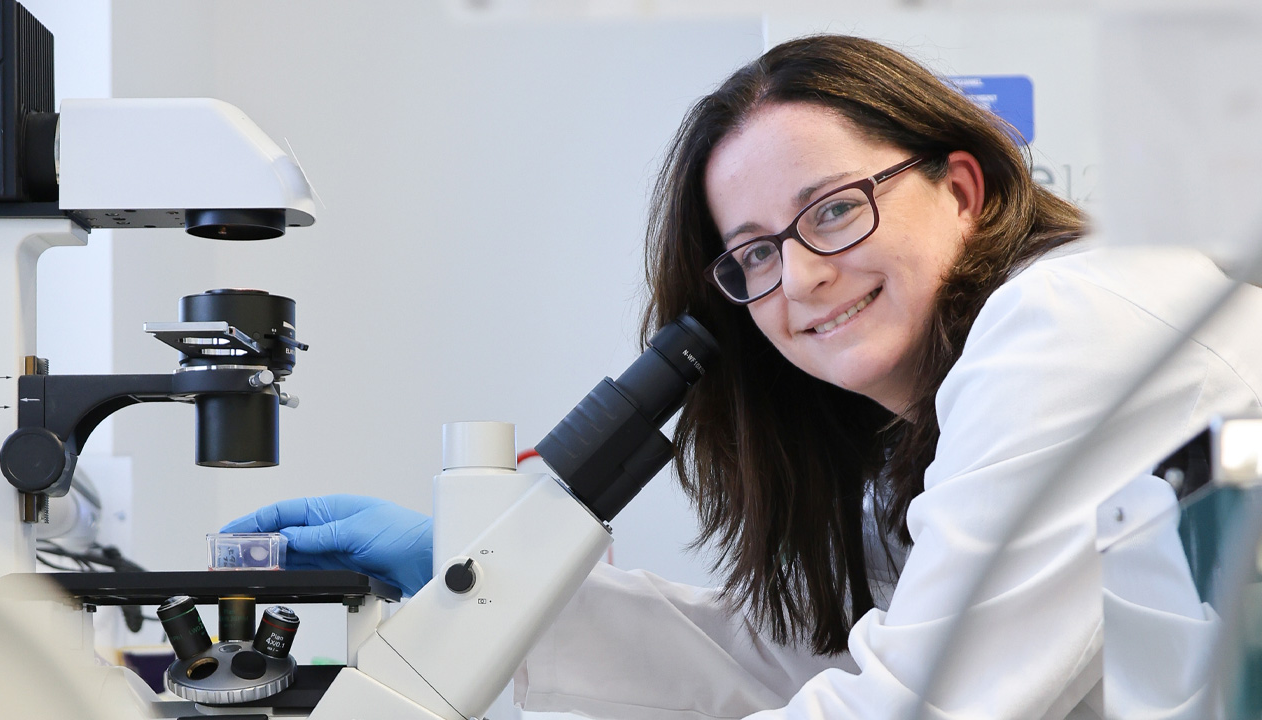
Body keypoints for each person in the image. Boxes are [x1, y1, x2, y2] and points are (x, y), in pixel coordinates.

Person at [224, 35, 1262, 719]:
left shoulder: (1071, 323)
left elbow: (917, 703)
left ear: (959, 188)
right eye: (754, 253)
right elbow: (804, 664)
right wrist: (494, 593)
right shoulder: (922, 440)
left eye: (833, 209)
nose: (800, 277)